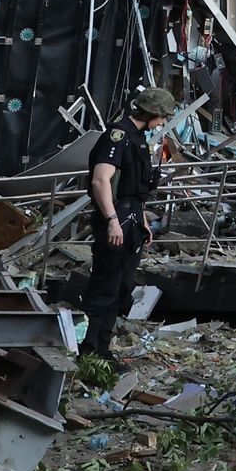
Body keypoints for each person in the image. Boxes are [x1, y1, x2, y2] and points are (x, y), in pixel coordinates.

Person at [83, 86, 178, 360]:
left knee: (122, 287)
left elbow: (136, 187)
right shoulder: (118, 136)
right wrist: (112, 221)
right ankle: (89, 350)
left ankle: (102, 348)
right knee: (105, 287)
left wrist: (143, 220)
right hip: (117, 219)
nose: (162, 123)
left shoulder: (136, 138)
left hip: (132, 219)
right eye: (161, 117)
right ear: (152, 113)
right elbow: (101, 180)